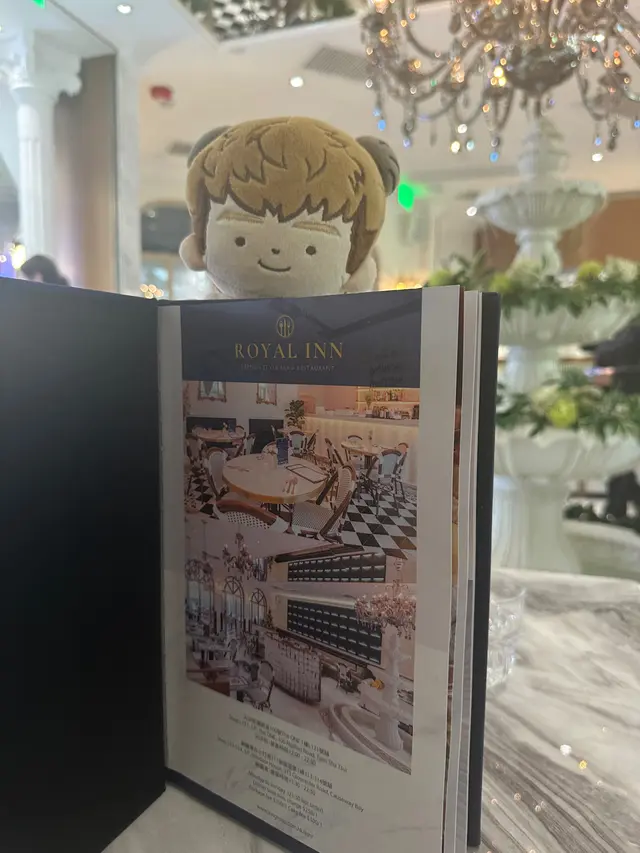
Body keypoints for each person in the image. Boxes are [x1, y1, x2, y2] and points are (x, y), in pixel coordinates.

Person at [593, 318, 640, 522]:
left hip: (631, 400)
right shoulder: (616, 327)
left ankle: (615, 509)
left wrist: (616, 376)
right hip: (617, 403)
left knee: (623, 453)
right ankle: (616, 508)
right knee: (620, 454)